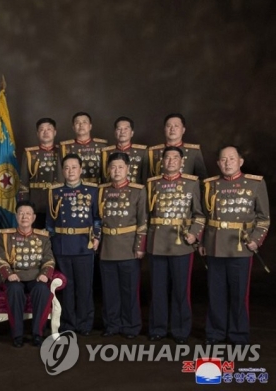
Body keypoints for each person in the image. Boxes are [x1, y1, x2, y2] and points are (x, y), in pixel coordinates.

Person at [200, 145, 269, 346]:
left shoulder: (255, 184)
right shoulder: (210, 185)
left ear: (240, 161)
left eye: (232, 158)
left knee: (239, 295)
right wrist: (203, 241)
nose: (227, 163)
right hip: (214, 246)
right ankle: (215, 333)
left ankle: (238, 335)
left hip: (240, 246)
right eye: (223, 159)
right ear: (218, 163)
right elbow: (204, 217)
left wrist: (256, 239)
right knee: (215, 293)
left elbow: (263, 219)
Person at [146, 147, 205, 344]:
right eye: (168, 158)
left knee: (181, 290)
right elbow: (145, 215)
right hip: (157, 243)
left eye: (175, 158)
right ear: (162, 161)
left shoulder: (191, 183)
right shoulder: (152, 184)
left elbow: (199, 214)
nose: (171, 161)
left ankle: (181, 330)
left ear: (182, 161)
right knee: (158, 289)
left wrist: (194, 234)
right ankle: (158, 328)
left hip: (181, 244)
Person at [47, 154, 101, 336]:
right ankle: (68, 323)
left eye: (74, 167)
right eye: (67, 168)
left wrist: (97, 237)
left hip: (83, 244)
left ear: (81, 169)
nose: (70, 171)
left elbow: (97, 218)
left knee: (84, 286)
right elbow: (50, 223)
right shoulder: (54, 192)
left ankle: (85, 323)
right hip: (61, 245)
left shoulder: (92, 191)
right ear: (63, 171)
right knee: (66, 287)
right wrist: (52, 244)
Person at [98, 152, 147, 339]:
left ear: (127, 169)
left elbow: (143, 221)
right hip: (107, 247)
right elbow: (97, 219)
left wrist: (140, 246)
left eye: (120, 167)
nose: (116, 171)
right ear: (108, 169)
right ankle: (112, 325)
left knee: (129, 290)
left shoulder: (138, 190)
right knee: (110, 291)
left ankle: (131, 326)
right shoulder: (102, 190)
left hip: (128, 247)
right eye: (113, 167)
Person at [0, 201, 54, 347]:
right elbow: (0, 259)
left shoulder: (43, 236)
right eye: (21, 213)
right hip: (14, 276)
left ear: (33, 217)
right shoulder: (6, 236)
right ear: (16, 216)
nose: (24, 216)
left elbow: (49, 259)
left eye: (28, 213)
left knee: (42, 290)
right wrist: (8, 274)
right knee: (15, 290)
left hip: (35, 276)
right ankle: (17, 335)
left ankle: (37, 334)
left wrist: (45, 274)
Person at [18, 117, 61, 229]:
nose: (45, 132)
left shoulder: (62, 151)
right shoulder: (29, 153)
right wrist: (25, 205)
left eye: (49, 129)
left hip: (58, 200)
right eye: (42, 129)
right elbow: (24, 182)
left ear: (55, 132)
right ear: (37, 133)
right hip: (36, 201)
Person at [149, 113, 207, 180]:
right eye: (169, 126)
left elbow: (202, 179)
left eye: (176, 126)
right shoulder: (153, 152)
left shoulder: (193, 151)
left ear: (183, 130)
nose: (172, 129)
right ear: (164, 129)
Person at [60, 112, 108, 184]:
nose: (81, 125)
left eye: (84, 122)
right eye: (77, 123)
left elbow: (106, 173)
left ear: (90, 126)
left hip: (96, 187)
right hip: (73, 187)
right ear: (73, 127)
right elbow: (61, 174)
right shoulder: (65, 147)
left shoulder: (102, 146)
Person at [101, 117, 149, 184]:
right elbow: (104, 178)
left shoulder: (142, 152)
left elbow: (145, 177)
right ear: (115, 133)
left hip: (135, 192)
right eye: (119, 129)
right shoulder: (106, 152)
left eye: (126, 129)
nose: (122, 132)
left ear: (132, 133)